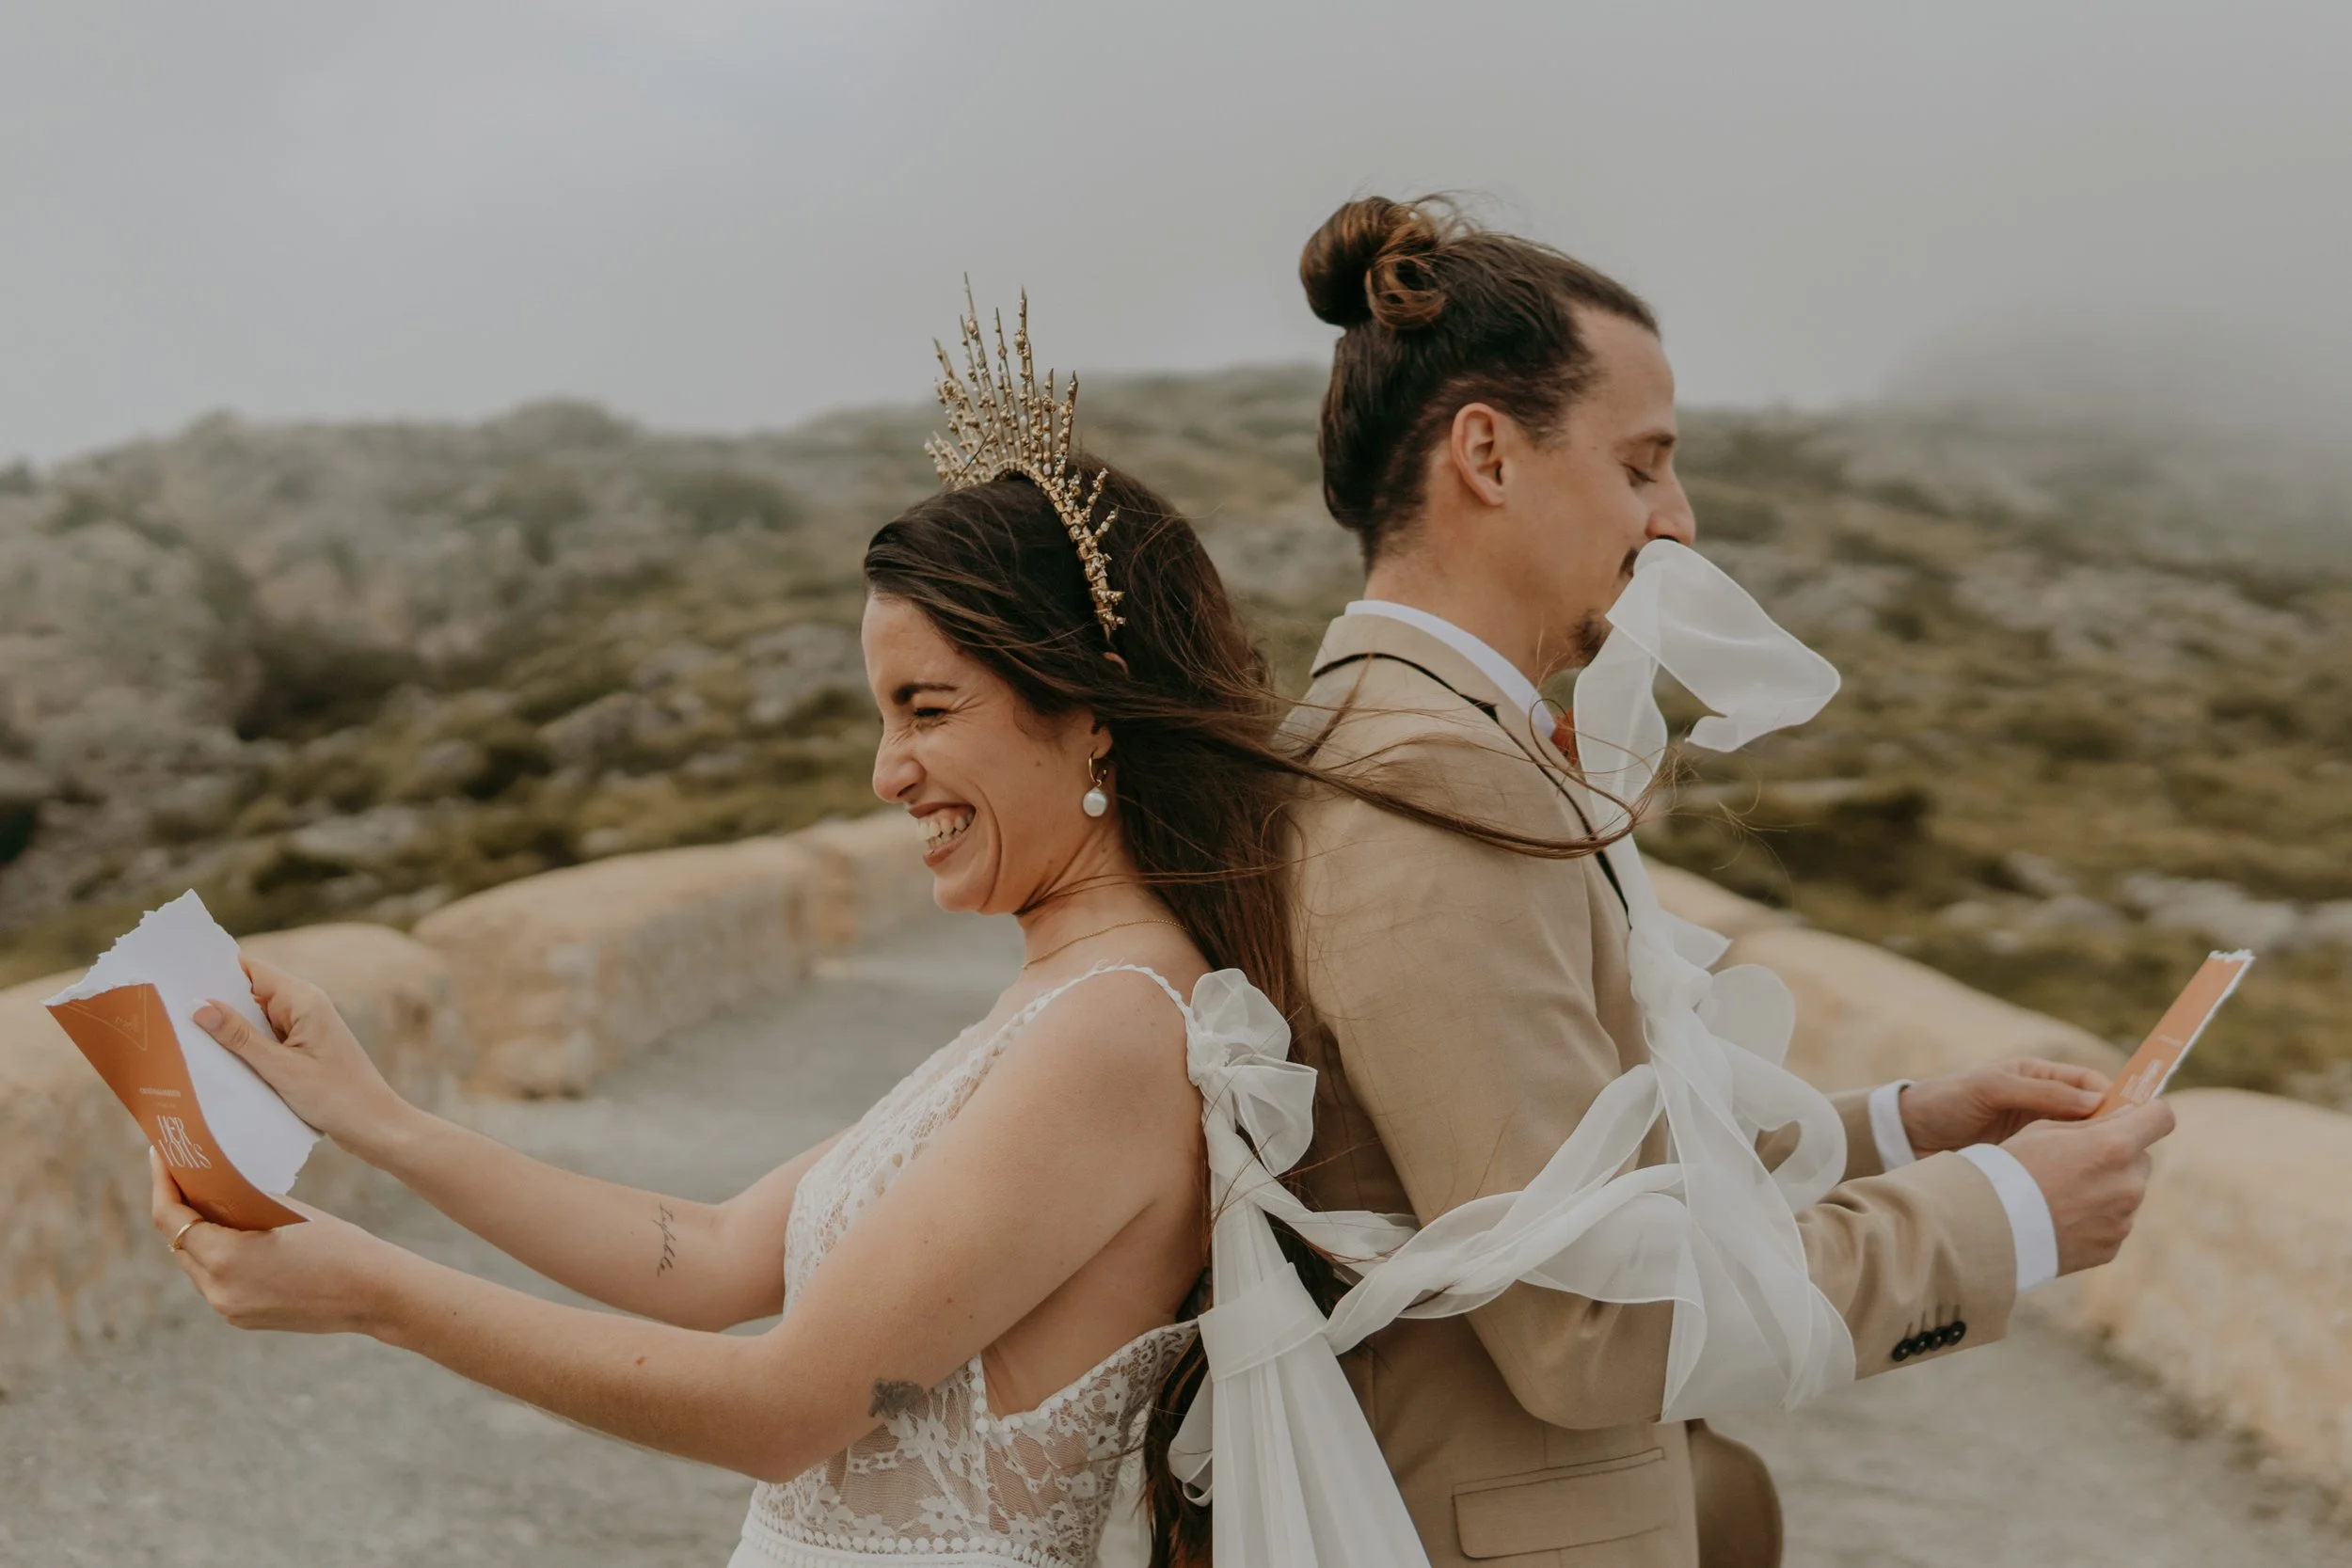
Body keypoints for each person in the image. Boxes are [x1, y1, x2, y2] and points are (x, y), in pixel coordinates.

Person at [145, 300, 1343, 1568]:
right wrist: (376, 1119)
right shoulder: (1069, 1000)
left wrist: (374, 1293)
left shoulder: (1116, 1026)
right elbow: (713, 1258)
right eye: (883, 716)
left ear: (1089, 711)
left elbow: (783, 1411)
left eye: (927, 709)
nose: (888, 772)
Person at [1277, 196, 2179, 1568]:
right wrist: (2010, 1216)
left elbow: (1569, 1154)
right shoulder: (1428, 781)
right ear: (1488, 455)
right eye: (1641, 467)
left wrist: (1907, 1127)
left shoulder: (1426, 738)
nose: (1678, 523)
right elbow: (1587, 1317)